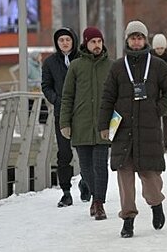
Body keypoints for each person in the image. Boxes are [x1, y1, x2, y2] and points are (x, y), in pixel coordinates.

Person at [99, 21, 167, 238]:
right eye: (132, 37)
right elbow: (107, 97)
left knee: (150, 175)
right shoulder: (117, 66)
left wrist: (157, 109)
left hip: (148, 129)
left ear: (145, 40)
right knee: (125, 178)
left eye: (139, 37)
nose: (136, 41)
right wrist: (104, 125)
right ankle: (128, 219)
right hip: (123, 130)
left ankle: (156, 205)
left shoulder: (158, 65)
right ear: (127, 40)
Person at [60, 27, 113, 220]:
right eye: (93, 42)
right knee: (86, 168)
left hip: (103, 126)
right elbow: (67, 97)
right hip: (80, 125)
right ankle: (94, 198)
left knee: (101, 166)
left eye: (99, 41)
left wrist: (115, 123)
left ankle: (99, 203)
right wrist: (65, 123)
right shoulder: (75, 66)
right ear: (86, 43)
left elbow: (117, 97)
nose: (97, 45)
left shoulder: (111, 66)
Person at [42, 27, 90, 207]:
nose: (64, 43)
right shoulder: (50, 63)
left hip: (83, 112)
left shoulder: (82, 59)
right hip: (61, 113)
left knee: (84, 149)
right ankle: (66, 191)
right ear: (57, 42)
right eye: (61, 40)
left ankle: (86, 181)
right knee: (64, 152)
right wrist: (57, 100)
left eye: (67, 40)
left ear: (73, 41)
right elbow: (46, 86)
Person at [150, 33, 167, 153]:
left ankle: (165, 144)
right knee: (154, 119)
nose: (159, 51)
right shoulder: (149, 58)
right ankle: (156, 143)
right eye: (157, 48)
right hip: (154, 91)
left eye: (161, 48)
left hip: (166, 91)